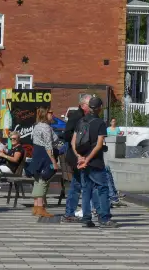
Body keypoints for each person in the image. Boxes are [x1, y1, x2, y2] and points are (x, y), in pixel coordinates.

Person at [73, 95, 117, 228]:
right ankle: (104, 218)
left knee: (86, 189)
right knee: (103, 189)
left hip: (82, 161)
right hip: (95, 162)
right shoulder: (100, 123)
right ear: (99, 108)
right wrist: (87, 159)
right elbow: (98, 145)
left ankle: (86, 218)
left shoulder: (81, 121)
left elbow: (73, 141)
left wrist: (79, 157)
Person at [61, 95, 92, 223]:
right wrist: (79, 141)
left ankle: (73, 212)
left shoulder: (86, 117)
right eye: (90, 104)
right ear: (83, 105)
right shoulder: (76, 116)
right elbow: (66, 134)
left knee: (78, 183)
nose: (92, 106)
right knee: (79, 184)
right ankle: (74, 212)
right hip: (77, 155)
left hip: (82, 155)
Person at [25, 106, 60, 218]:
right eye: (50, 112)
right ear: (45, 114)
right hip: (45, 154)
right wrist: (54, 161)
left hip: (37, 153)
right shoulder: (46, 128)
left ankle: (36, 207)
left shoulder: (37, 126)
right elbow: (48, 145)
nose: (52, 114)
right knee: (43, 180)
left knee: (37, 178)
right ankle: (41, 208)